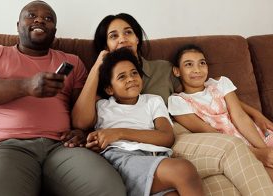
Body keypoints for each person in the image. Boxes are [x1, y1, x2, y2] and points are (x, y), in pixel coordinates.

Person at [67, 13, 273, 195]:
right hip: (139, 149)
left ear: (137, 38)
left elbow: (206, 89)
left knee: (225, 172)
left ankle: (255, 158)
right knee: (224, 165)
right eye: (113, 36)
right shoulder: (106, 84)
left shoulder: (163, 69)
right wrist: (99, 65)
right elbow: (81, 121)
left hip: (176, 131)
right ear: (106, 46)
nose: (122, 39)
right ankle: (254, 156)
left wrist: (256, 114)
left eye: (128, 32)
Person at [0, 1, 126, 196]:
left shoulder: (72, 62)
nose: (39, 19)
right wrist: (27, 86)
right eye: (31, 15)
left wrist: (82, 131)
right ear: (17, 25)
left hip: (62, 147)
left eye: (48, 19)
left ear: (54, 32)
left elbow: (83, 109)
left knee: (109, 189)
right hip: (6, 146)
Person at [86, 47, 204, 196]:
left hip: (155, 156)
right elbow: (79, 122)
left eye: (134, 73)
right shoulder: (102, 106)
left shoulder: (153, 101)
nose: (130, 78)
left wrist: (119, 133)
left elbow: (167, 137)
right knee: (183, 170)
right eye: (122, 77)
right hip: (121, 157)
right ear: (109, 89)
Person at [168, 44, 273, 180]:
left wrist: (265, 150)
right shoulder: (178, 102)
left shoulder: (220, 83)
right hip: (234, 151)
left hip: (257, 137)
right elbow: (212, 135)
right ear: (177, 71)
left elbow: (240, 117)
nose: (197, 69)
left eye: (202, 63)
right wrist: (258, 154)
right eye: (189, 64)